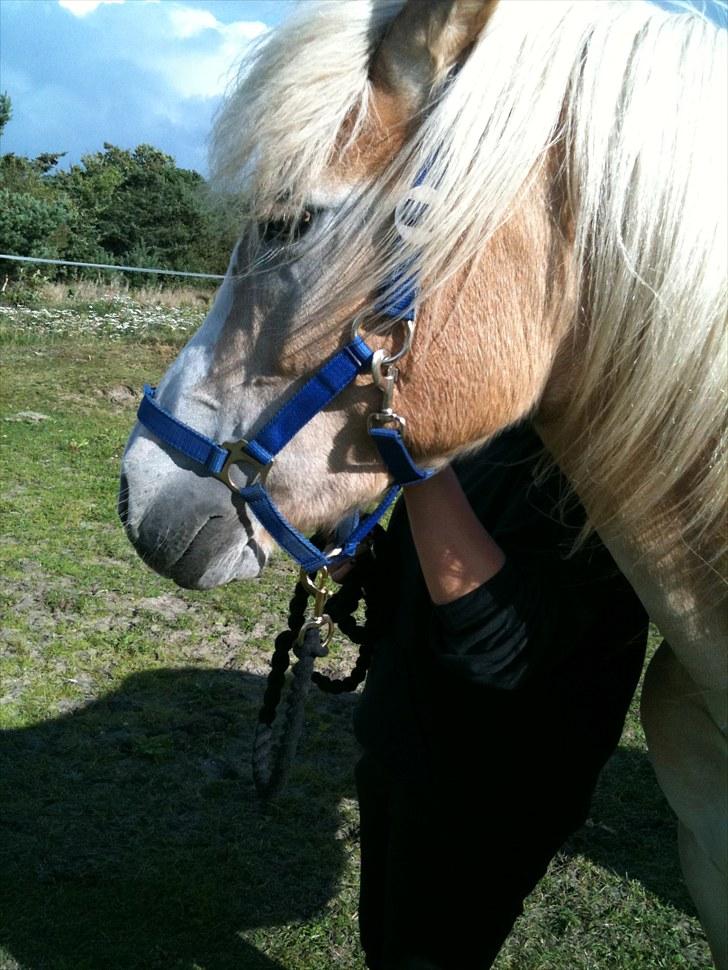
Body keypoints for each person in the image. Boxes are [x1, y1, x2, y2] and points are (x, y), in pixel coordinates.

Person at [352, 422, 648, 970]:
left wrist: (418, 459)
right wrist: (361, 563)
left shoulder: (607, 473)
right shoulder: (495, 432)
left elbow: (502, 650)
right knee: (382, 942)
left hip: (489, 799)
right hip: (397, 745)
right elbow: (422, 575)